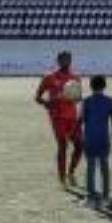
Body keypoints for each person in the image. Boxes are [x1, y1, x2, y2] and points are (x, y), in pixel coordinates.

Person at [35, 51, 83, 187]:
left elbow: (78, 98)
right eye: (63, 59)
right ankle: (62, 178)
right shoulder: (49, 77)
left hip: (72, 117)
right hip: (57, 117)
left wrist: (73, 96)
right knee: (63, 145)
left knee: (80, 145)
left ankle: (71, 172)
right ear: (58, 61)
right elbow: (37, 97)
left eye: (68, 59)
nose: (66, 62)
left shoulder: (75, 78)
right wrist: (46, 103)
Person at [79, 75, 112, 206]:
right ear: (104, 86)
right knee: (104, 167)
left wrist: (75, 130)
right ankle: (106, 197)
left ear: (91, 86)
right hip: (103, 138)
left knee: (90, 168)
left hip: (90, 138)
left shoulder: (86, 101)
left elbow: (82, 120)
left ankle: (91, 198)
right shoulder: (110, 100)